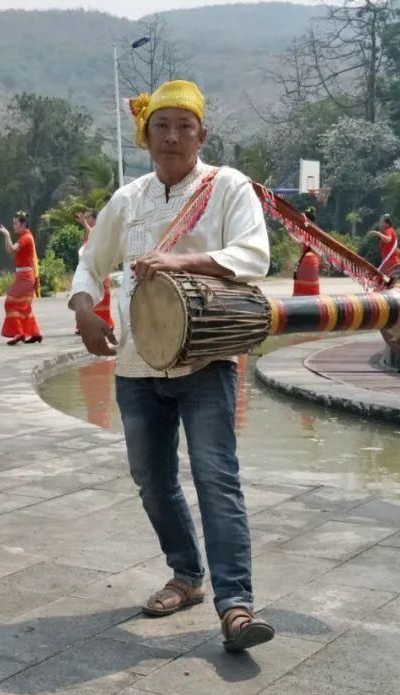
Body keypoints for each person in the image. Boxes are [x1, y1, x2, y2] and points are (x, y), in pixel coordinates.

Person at [70, 80, 275, 652]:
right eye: (161, 126)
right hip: (136, 366)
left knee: (216, 479)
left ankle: (235, 606)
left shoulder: (226, 186)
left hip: (205, 364)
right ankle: (186, 575)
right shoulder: (128, 199)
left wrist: (183, 259)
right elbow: (90, 262)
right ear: (146, 136)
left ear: (201, 134)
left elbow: (254, 254)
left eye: (184, 126)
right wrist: (85, 309)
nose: (173, 137)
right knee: (153, 481)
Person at [0, 211, 43, 345]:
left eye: (16, 223)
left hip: (25, 277)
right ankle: (35, 333)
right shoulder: (24, 237)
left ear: (23, 224)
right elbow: (9, 250)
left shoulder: (26, 238)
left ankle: (19, 333)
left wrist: (6, 235)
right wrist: (7, 237)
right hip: (23, 276)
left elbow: (11, 249)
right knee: (25, 307)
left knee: (10, 302)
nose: (14, 226)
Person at [75, 209, 114, 332]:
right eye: (85, 218)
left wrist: (84, 224)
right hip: (91, 269)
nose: (86, 220)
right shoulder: (88, 232)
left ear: (95, 219)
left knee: (101, 299)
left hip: (100, 269)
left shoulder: (100, 230)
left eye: (88, 218)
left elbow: (96, 238)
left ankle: (103, 324)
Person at [292, 206, 320, 296]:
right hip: (314, 261)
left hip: (305, 261)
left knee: (301, 292)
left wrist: (289, 232)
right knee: (312, 291)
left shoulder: (305, 230)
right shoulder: (316, 230)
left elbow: (298, 241)